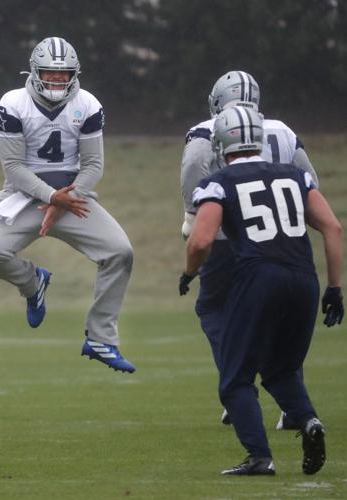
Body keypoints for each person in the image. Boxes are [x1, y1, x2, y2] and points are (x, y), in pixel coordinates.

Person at [179, 105, 344, 475]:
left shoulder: (219, 182)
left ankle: (260, 457)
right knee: (282, 371)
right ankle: (309, 421)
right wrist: (335, 289)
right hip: (304, 279)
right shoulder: (295, 175)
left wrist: (189, 273)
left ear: (222, 144)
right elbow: (333, 228)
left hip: (258, 279)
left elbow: (201, 239)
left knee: (236, 379)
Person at [0, 36, 135, 373]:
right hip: (25, 197)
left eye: (63, 74)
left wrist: (66, 200)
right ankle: (33, 283)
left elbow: (93, 166)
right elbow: (14, 169)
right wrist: (51, 197)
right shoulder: (13, 103)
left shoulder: (87, 104)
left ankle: (101, 338)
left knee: (120, 252)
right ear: (34, 71)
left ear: (74, 74)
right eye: (50, 73)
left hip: (73, 198)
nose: (57, 80)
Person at [180, 70, 319, 429]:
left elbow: (194, 168)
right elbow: (309, 182)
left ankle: (237, 390)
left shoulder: (204, 130)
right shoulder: (283, 131)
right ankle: (292, 404)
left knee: (214, 309)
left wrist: (193, 217)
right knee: (283, 320)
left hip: (228, 242)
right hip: (283, 242)